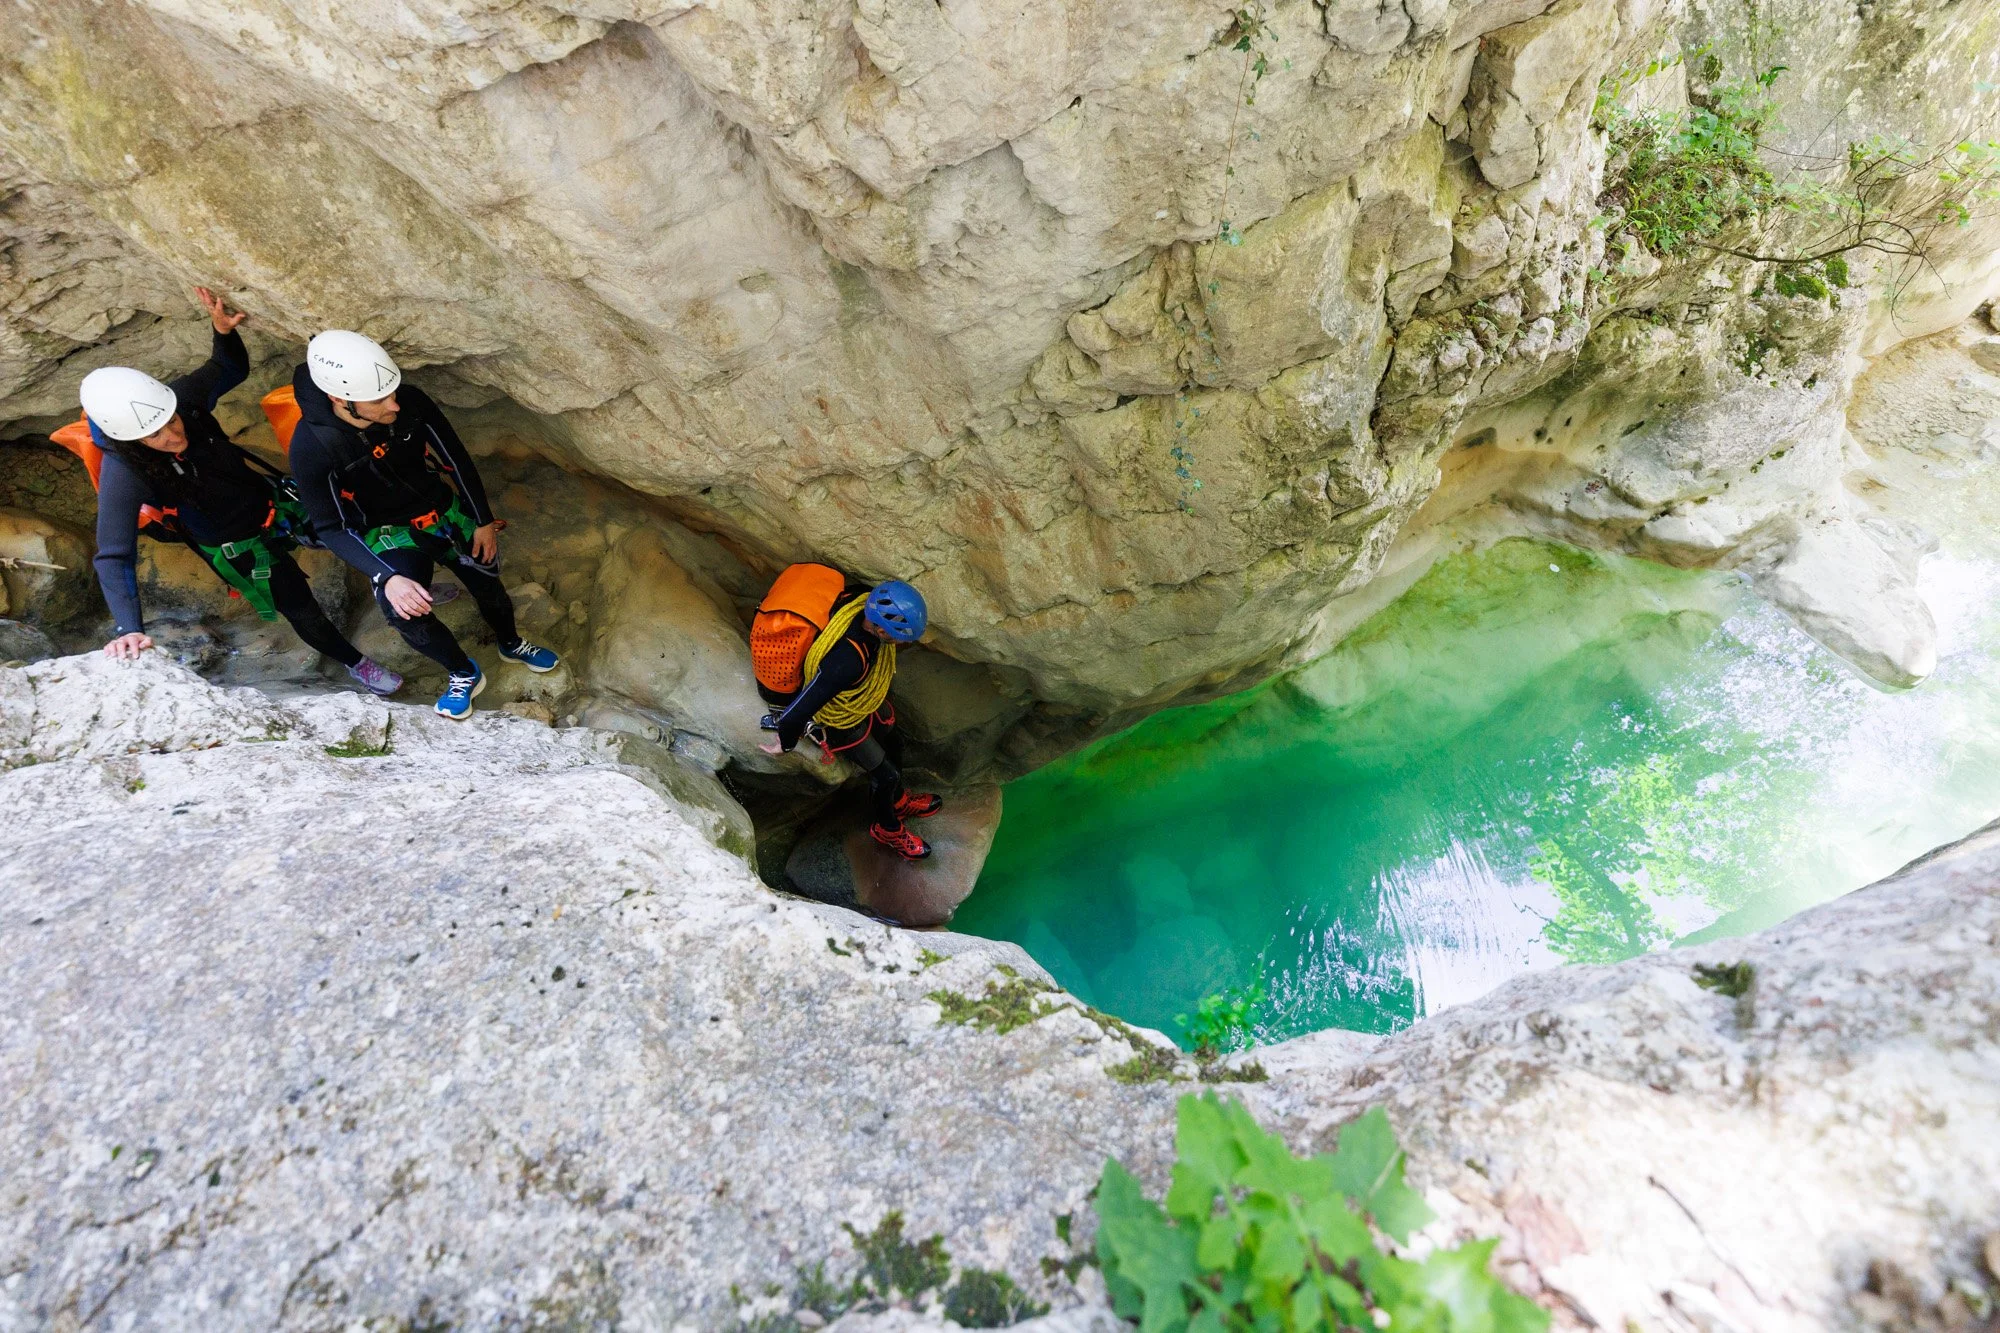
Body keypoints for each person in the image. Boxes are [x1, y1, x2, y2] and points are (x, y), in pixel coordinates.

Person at [85, 288, 400, 694]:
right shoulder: (124, 471)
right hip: (235, 543)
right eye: (153, 435)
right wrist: (129, 628)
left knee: (360, 524)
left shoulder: (180, 402)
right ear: (129, 440)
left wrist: (223, 332)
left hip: (270, 501)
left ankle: (406, 580)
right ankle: (357, 664)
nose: (171, 435)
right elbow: (113, 553)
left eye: (171, 422)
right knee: (301, 607)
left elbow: (227, 368)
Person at [285, 329, 558, 718]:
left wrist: (481, 520)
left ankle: (510, 642)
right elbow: (332, 527)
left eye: (392, 392)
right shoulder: (313, 446)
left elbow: (455, 458)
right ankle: (463, 672)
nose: (394, 405)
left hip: (441, 511)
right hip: (390, 533)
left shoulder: (409, 403)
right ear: (340, 399)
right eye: (380, 399)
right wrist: (386, 576)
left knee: (487, 580)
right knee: (403, 611)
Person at [759, 580, 942, 860]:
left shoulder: (858, 600)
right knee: (885, 775)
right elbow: (799, 710)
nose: (904, 643)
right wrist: (784, 742)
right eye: (901, 636)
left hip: (857, 697)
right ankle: (888, 829)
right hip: (838, 720)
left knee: (893, 738)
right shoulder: (846, 661)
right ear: (881, 630)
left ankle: (898, 800)